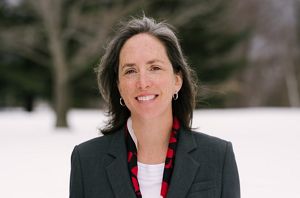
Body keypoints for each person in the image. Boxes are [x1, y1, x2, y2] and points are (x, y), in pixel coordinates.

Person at [69, 16, 240, 198]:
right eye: (130, 71)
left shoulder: (218, 157)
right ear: (119, 86)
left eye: (155, 68)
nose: (143, 83)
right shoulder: (86, 160)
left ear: (177, 80)